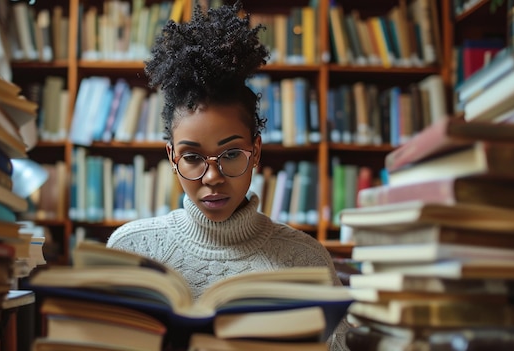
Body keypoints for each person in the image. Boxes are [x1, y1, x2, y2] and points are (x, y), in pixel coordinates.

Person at [106, 2, 349, 350]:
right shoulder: (130, 250)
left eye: (231, 154)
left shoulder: (307, 260)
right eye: (192, 157)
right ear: (172, 157)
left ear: (257, 151)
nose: (213, 177)